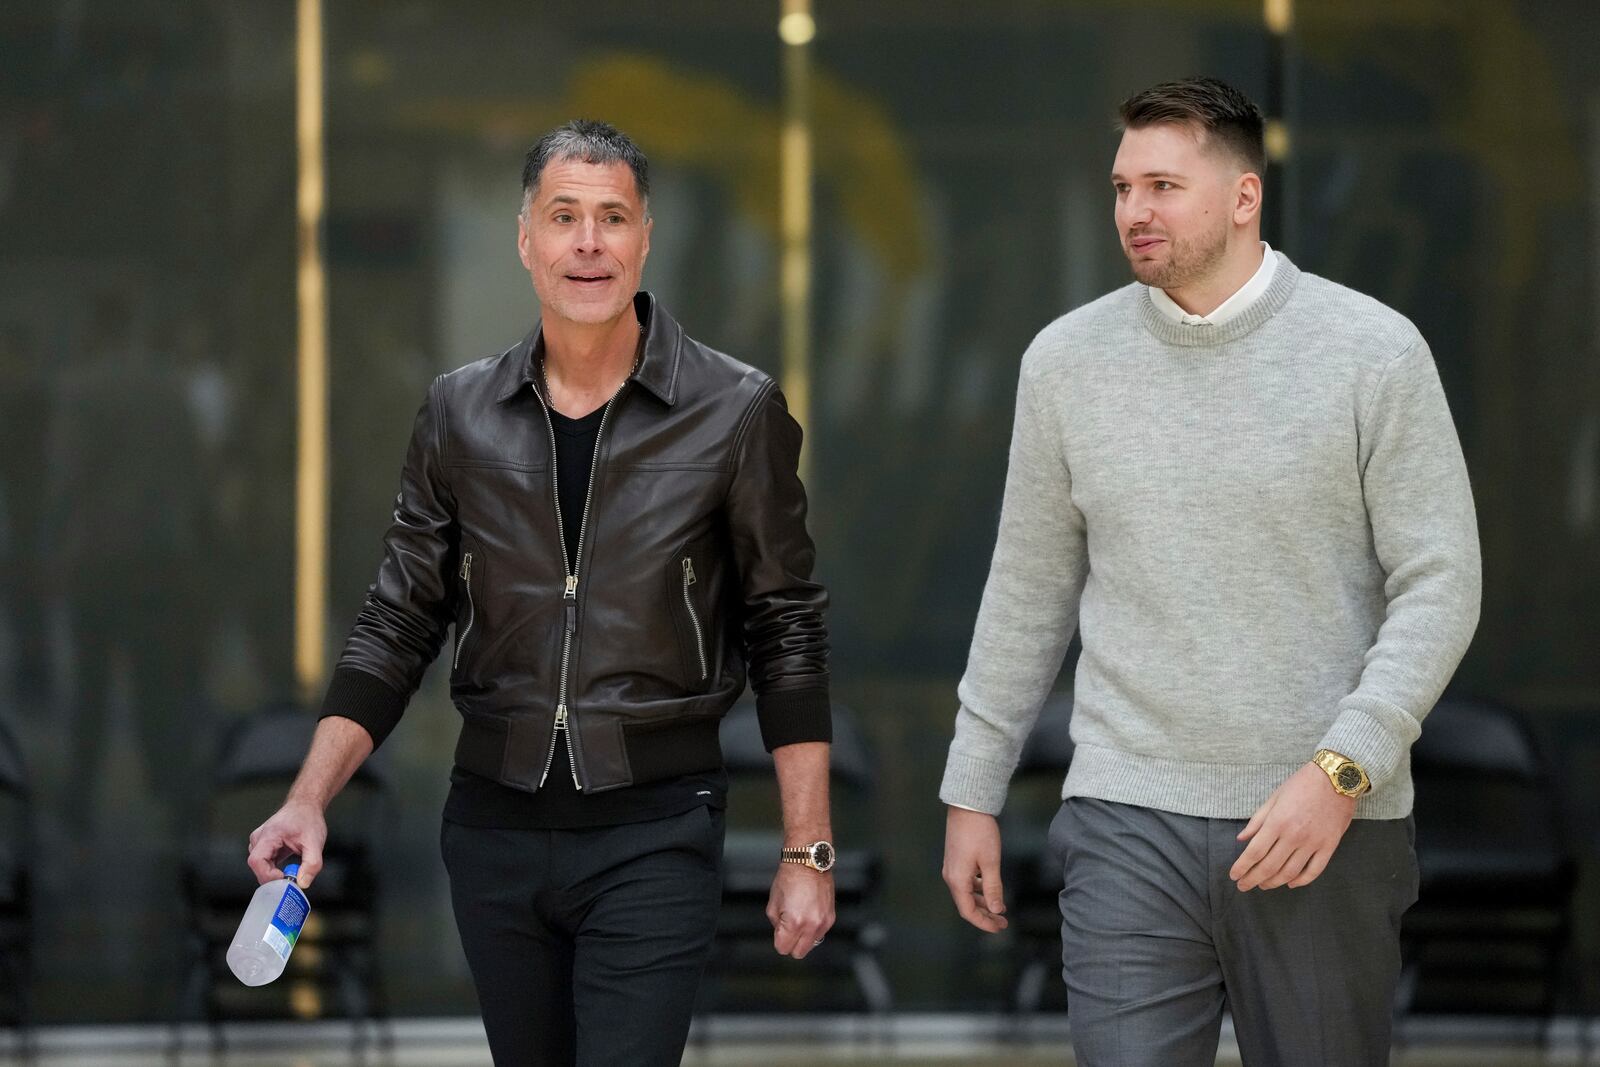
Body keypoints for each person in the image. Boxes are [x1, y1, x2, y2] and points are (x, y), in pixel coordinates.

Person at [248, 120, 836, 1067]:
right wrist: (308, 797)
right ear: (526, 239)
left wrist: (806, 849)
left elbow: (787, 629)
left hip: (656, 825)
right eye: (564, 217)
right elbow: (398, 620)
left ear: (647, 238)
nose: (589, 242)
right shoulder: (458, 412)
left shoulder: (735, 411)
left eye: (613, 217)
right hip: (496, 830)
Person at [939, 77, 1480, 1066]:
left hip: (1322, 819)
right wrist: (972, 789)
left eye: (1162, 185)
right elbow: (1026, 594)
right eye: (1120, 188)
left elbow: (1442, 583)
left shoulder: (1371, 353)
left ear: (1243, 198)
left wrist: (1342, 769)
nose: (1133, 212)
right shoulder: (1064, 363)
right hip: (1125, 815)